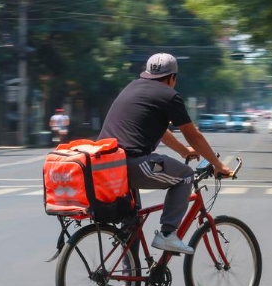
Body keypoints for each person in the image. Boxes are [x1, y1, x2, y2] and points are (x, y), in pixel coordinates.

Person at [99, 52, 232, 256]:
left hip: (108, 168)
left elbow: (156, 129)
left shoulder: (132, 87)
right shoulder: (169, 95)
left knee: (131, 226)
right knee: (185, 175)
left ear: (147, 73)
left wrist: (183, 151)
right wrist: (217, 164)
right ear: (172, 78)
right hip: (133, 163)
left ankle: (129, 284)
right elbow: (192, 135)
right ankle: (168, 234)